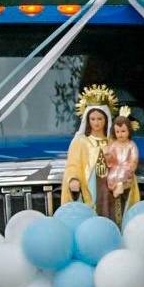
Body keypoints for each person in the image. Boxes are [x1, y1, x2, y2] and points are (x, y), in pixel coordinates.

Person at [62, 85, 117, 219]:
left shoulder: (112, 142)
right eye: (93, 119)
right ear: (87, 120)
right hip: (89, 186)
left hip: (108, 188)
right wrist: (73, 179)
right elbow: (73, 165)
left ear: (106, 119)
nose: (96, 123)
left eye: (100, 119)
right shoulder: (80, 142)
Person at [105, 109, 141, 224]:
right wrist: (108, 157)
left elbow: (134, 159)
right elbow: (111, 159)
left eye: (123, 131)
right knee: (111, 176)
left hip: (126, 167)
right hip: (116, 167)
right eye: (118, 131)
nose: (120, 134)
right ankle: (115, 187)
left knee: (122, 174)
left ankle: (120, 185)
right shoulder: (114, 145)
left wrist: (131, 167)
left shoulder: (131, 145)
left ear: (129, 131)